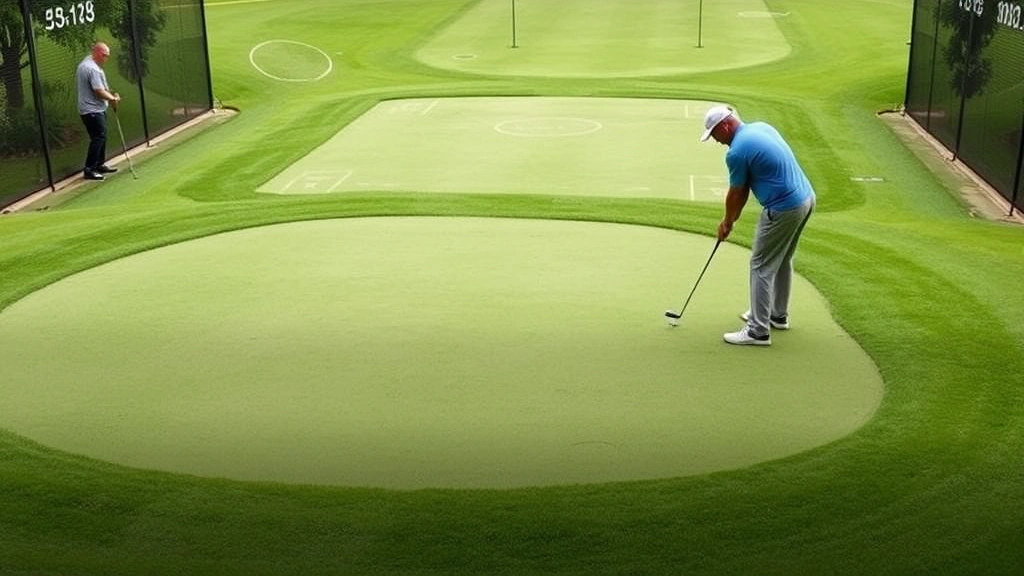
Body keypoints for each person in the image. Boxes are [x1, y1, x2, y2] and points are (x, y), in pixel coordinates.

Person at [700, 105, 816, 346]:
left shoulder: (737, 152)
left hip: (783, 207)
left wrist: (727, 222)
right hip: (806, 199)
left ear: (726, 126)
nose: (716, 141)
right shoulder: (761, 127)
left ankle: (758, 330)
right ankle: (777, 315)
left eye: (715, 134)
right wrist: (730, 220)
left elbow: (737, 193)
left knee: (760, 265)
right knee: (782, 259)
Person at [76, 42, 120, 181]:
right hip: (91, 110)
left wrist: (112, 97)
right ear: (97, 53)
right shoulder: (92, 68)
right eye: (104, 55)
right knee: (98, 137)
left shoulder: (88, 64)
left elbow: (103, 89)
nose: (106, 59)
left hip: (95, 108)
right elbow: (99, 91)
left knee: (101, 136)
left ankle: (99, 164)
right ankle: (89, 169)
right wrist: (113, 98)